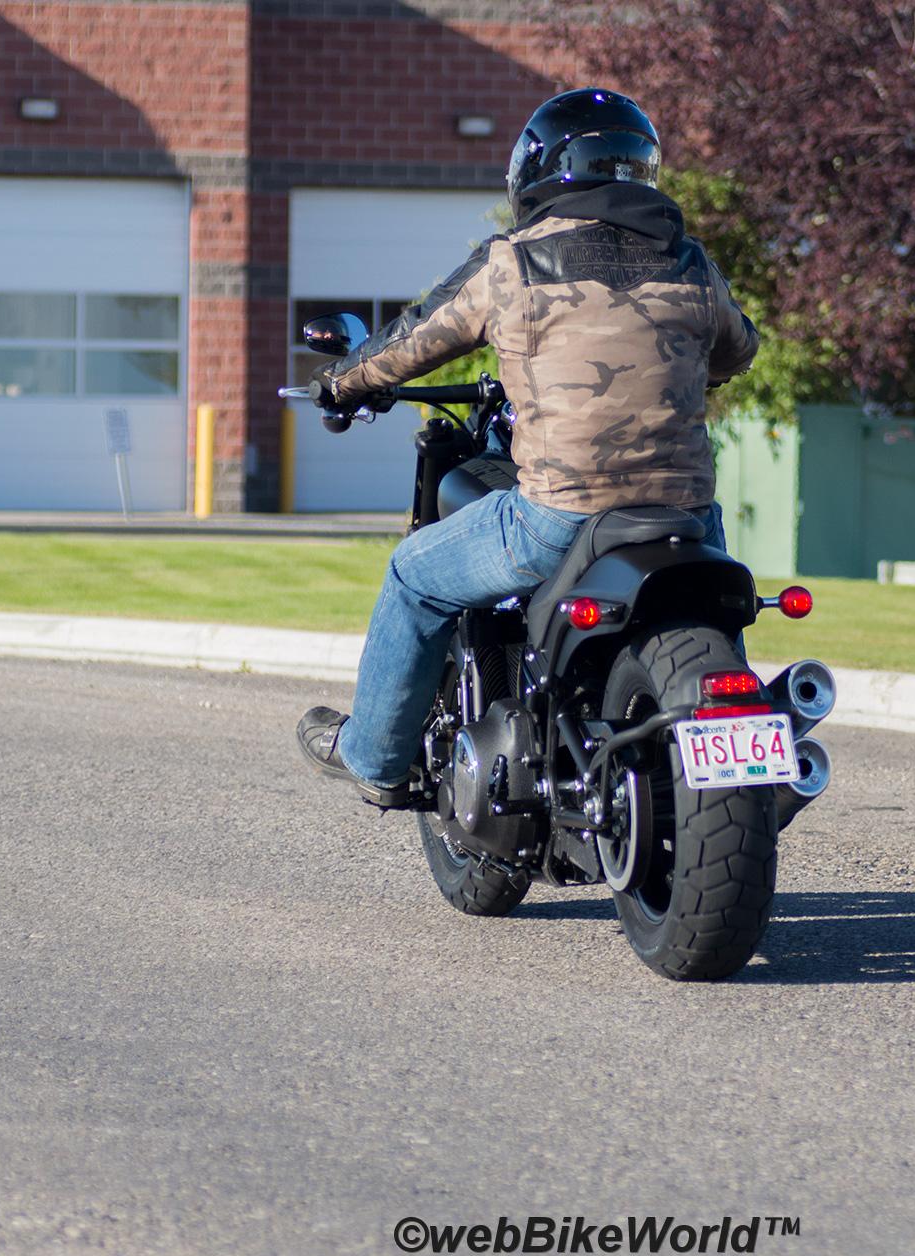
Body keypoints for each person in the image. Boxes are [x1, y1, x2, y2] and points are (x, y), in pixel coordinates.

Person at [295, 87, 761, 808]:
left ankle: (376, 758)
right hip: (686, 519)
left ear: (542, 171)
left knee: (413, 575)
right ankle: (730, 754)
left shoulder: (514, 263)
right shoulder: (688, 262)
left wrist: (340, 385)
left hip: (562, 517)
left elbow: (417, 337)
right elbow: (738, 349)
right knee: (720, 614)